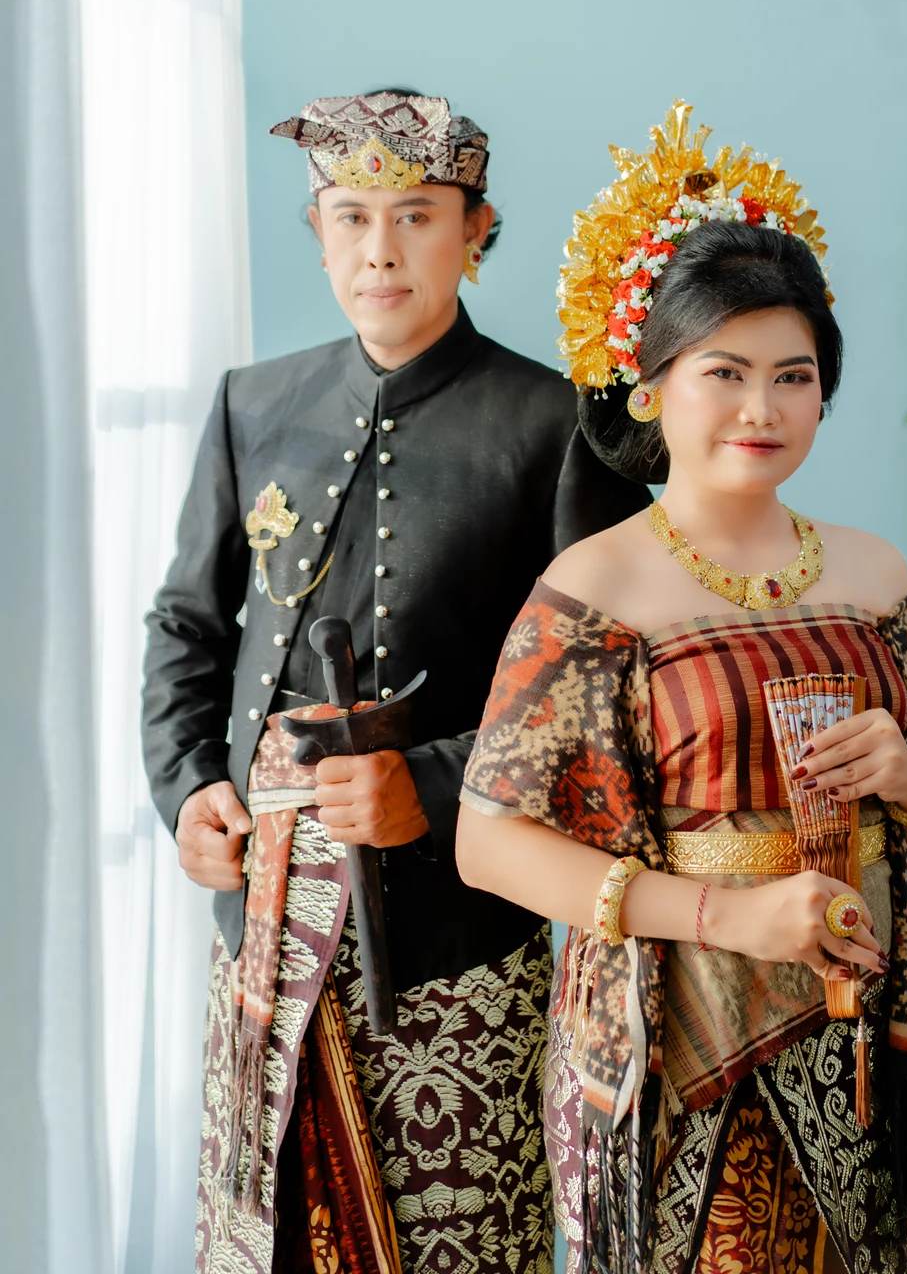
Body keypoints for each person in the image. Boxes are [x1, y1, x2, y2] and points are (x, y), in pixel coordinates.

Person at [457, 103, 907, 1274]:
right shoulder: (594, 588)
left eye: (793, 376)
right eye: (724, 372)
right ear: (648, 386)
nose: (761, 407)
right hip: (674, 1048)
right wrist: (727, 915)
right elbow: (488, 843)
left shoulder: (873, 573)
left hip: (853, 1032)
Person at [141, 89, 649, 1274]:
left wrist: (430, 782)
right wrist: (186, 790)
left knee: (455, 1238)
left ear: (476, 230)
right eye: (351, 216)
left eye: (416, 215)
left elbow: (605, 693)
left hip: (456, 931)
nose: (380, 250)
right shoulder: (251, 403)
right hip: (260, 926)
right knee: (264, 1232)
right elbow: (186, 626)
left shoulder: (555, 427)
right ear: (318, 234)